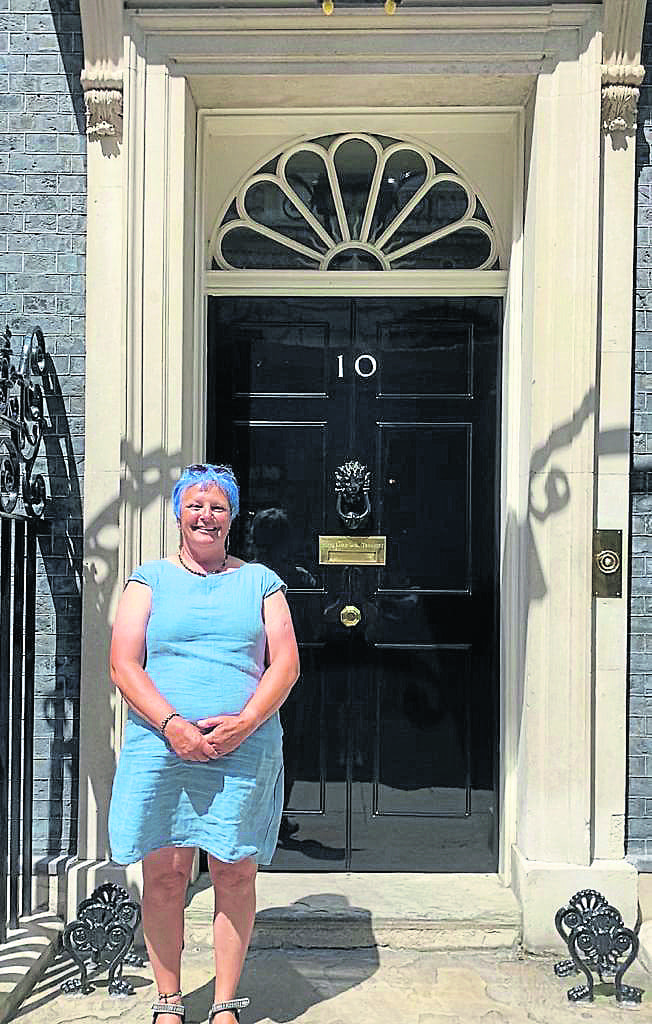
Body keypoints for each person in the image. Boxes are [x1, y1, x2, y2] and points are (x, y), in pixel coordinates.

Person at [107, 464, 300, 1024]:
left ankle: (225, 1003)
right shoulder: (149, 580)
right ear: (178, 514)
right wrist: (173, 726)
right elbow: (124, 663)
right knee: (165, 872)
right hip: (161, 748)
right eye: (196, 505)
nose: (206, 516)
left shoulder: (261, 582)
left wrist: (244, 722)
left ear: (232, 517)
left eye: (218, 507)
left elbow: (285, 663)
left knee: (234, 872)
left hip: (242, 751)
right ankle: (168, 1001)